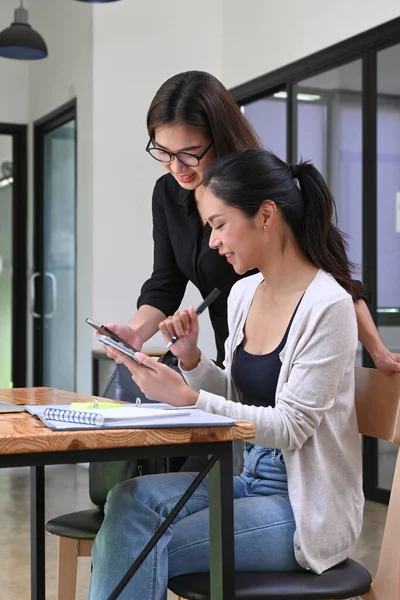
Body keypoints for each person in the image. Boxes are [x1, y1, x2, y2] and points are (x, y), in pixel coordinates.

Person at [89, 148, 364, 599]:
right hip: (246, 477)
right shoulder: (243, 294)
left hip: (303, 508)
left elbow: (292, 428)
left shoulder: (327, 306)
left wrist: (188, 398)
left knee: (140, 546)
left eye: (218, 225)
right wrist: (193, 362)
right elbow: (240, 396)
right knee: (128, 503)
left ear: (266, 215)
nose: (213, 243)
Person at [104, 70, 399, 387]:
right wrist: (135, 333)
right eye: (163, 152)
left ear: (218, 138)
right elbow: (165, 283)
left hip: (286, 362)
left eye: (189, 153)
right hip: (232, 363)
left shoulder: (259, 188)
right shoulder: (168, 193)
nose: (176, 167)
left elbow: (335, 278)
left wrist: (378, 351)